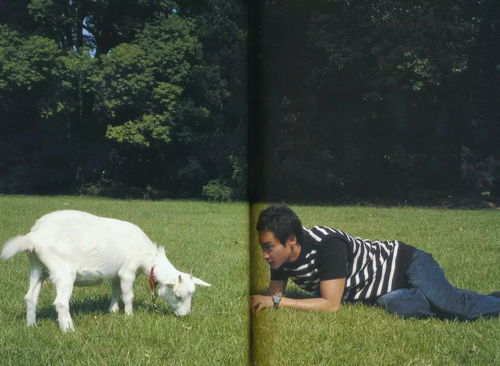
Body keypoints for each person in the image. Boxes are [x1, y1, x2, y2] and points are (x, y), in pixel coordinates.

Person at [250, 205, 500, 320]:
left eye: (269, 247)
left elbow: (330, 305)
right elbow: (274, 297)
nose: (265, 255)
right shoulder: (279, 259)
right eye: (263, 247)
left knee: (451, 305)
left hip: (405, 262)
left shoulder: (328, 245)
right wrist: (271, 301)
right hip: (380, 288)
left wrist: (276, 301)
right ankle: (434, 297)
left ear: (291, 240)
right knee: (406, 310)